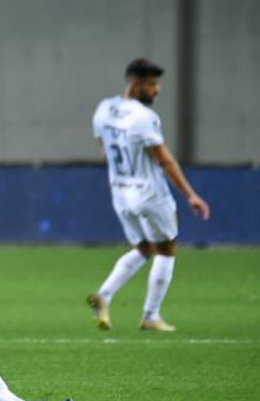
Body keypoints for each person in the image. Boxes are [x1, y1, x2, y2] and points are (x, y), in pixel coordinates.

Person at [87, 58, 210, 332]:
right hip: (149, 192)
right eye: (152, 84)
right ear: (135, 84)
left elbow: (103, 147)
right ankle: (151, 316)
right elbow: (165, 160)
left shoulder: (104, 109)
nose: (157, 90)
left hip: (120, 191)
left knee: (144, 248)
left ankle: (104, 295)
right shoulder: (145, 117)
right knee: (166, 249)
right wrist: (191, 195)